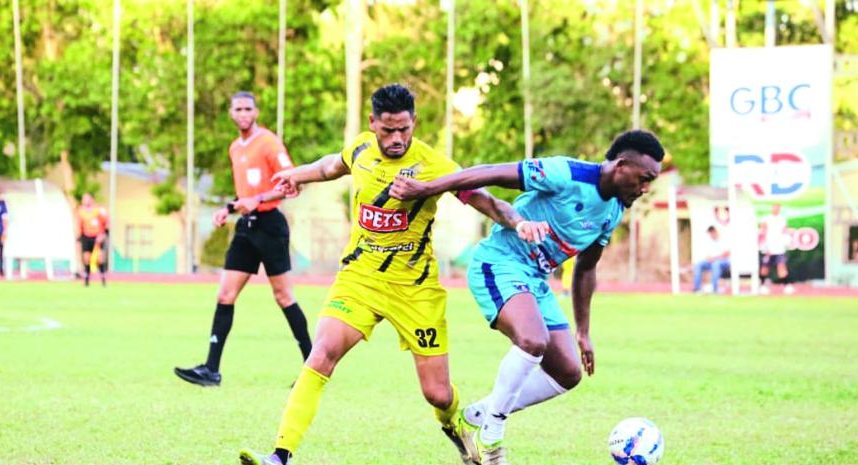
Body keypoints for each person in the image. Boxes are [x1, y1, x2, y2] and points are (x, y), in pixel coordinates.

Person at [238, 84, 542, 465]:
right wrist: (295, 175)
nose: (396, 138)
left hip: (415, 290)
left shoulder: (433, 165)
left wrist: (519, 223)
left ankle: (457, 423)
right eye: (387, 130)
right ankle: (279, 456)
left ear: (414, 122)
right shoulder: (362, 149)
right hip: (360, 278)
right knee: (322, 353)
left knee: (437, 394)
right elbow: (331, 166)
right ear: (372, 123)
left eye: (404, 129)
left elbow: (487, 201)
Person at [389, 129, 665, 464]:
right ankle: (490, 438)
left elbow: (586, 268)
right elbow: (491, 172)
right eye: (644, 178)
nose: (645, 188)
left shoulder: (613, 211)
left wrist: (583, 331)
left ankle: (474, 418)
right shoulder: (565, 173)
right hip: (500, 263)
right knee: (533, 340)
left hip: (534, 280)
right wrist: (427, 188)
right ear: (621, 165)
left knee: (567, 372)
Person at [174, 91, 313, 387]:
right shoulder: (235, 148)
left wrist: (259, 199)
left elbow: (291, 184)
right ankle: (211, 370)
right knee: (225, 295)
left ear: (256, 112)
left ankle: (313, 368)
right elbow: (244, 195)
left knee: (284, 297)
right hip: (246, 228)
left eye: (248, 108)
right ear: (231, 113)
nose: (243, 114)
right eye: (238, 109)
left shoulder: (269, 143)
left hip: (271, 225)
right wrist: (227, 209)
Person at [76, 193, 109, 287]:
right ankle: (86, 280)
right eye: (83, 199)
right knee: (87, 258)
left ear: (92, 199)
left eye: (86, 198)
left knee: (100, 258)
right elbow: (79, 225)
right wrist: (78, 238)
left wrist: (103, 234)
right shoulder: (80, 211)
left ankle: (103, 279)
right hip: (86, 236)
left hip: (98, 236)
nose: (84, 201)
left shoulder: (99, 210)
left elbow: (107, 222)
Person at [759, 203, 791, 294]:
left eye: (778, 208)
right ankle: (762, 286)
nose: (776, 209)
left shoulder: (782, 219)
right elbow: (763, 232)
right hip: (768, 248)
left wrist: (787, 241)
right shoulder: (766, 219)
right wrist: (765, 246)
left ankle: (786, 286)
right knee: (765, 267)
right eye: (774, 207)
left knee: (781, 266)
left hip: (779, 248)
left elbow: (785, 231)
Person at [693, 225, 730, 294]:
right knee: (698, 265)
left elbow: (727, 253)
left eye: (712, 232)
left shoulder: (724, 240)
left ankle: (714, 289)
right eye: (710, 232)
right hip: (711, 261)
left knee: (715, 264)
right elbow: (707, 255)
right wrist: (709, 258)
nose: (711, 234)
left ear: (716, 232)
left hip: (723, 261)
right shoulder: (709, 242)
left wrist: (715, 258)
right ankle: (697, 288)